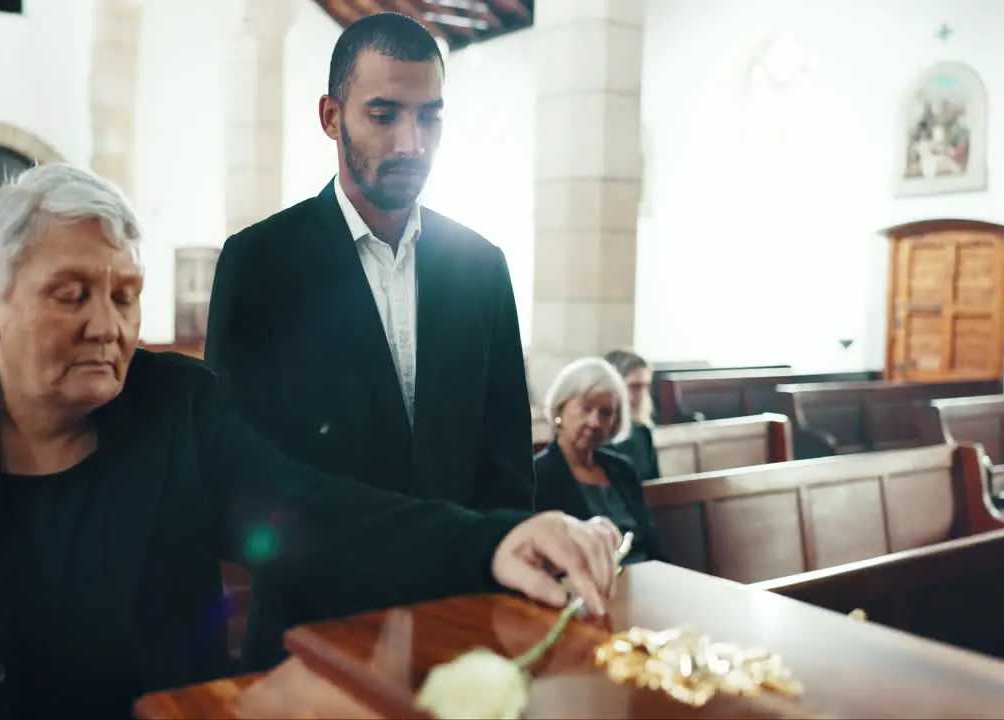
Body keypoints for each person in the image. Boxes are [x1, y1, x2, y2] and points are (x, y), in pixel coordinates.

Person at [0, 164, 621, 720]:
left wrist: (493, 537)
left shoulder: (175, 412)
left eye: (125, 295)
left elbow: (321, 518)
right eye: (71, 293)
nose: (109, 327)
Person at [205, 12, 536, 672]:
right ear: (332, 117)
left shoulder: (482, 264)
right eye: (383, 114)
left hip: (459, 628)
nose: (412, 142)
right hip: (311, 632)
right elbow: (244, 485)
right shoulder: (260, 263)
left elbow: (505, 465)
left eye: (429, 117)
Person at [534, 357, 666, 566]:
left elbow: (652, 545)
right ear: (560, 408)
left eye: (606, 413)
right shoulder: (538, 474)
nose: (595, 422)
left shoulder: (622, 469)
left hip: (642, 579)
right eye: (586, 408)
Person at [603, 348, 662, 482]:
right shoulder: (595, 435)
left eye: (645, 387)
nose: (641, 396)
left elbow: (657, 488)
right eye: (634, 387)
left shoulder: (642, 433)